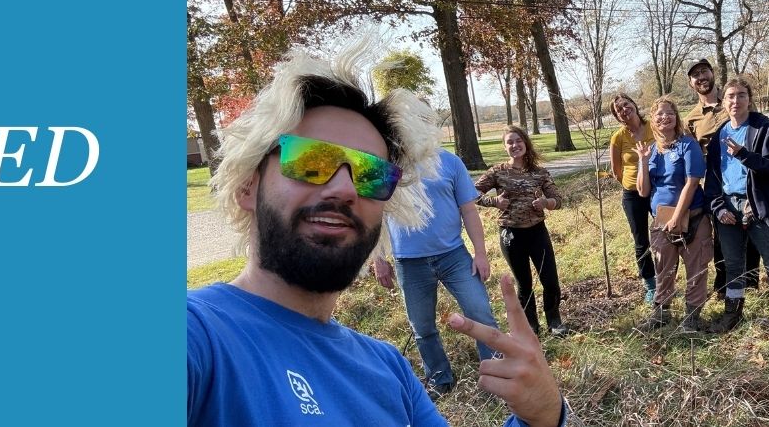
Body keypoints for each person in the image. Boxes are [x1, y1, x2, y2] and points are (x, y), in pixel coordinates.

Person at [188, 39, 566, 426]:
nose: (345, 189)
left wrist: (541, 416)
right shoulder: (196, 337)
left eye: (370, 174)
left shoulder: (389, 371)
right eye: (311, 160)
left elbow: (469, 204)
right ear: (248, 185)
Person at [370, 146, 501, 397]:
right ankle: (440, 380)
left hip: (453, 255)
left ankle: (495, 374)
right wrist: (379, 258)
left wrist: (480, 253)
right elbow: (375, 213)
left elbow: (469, 210)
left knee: (480, 312)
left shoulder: (450, 162)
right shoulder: (385, 165)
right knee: (422, 327)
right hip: (409, 262)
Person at [703, 79, 769, 333]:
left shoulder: (763, 128)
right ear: (723, 102)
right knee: (733, 265)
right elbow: (712, 176)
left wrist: (744, 154)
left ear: (750, 98)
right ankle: (732, 314)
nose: (736, 101)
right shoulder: (720, 135)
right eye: (730, 96)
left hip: (759, 205)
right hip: (727, 207)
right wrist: (718, 207)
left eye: (741, 95)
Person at [473, 127, 566, 335]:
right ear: (505, 147)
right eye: (509, 142)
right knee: (524, 283)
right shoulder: (497, 172)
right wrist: (494, 202)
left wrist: (546, 202)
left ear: (525, 143)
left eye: (518, 141)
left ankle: (555, 321)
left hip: (537, 232)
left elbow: (558, 200)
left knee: (549, 279)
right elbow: (472, 193)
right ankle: (531, 327)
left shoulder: (539, 173)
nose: (514, 145)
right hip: (511, 235)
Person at [685, 58, 763, 294]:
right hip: (716, 181)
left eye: (704, 71)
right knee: (721, 232)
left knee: (750, 229)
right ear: (691, 83)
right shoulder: (691, 119)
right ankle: (725, 282)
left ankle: (750, 282)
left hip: (745, 176)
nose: (701, 77)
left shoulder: (735, 99)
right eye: (695, 75)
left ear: (712, 73)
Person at [636, 97, 713, 333]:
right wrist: (643, 161)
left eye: (669, 113)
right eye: (659, 114)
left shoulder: (687, 145)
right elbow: (643, 190)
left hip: (692, 218)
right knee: (664, 268)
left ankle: (692, 316)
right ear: (653, 119)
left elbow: (692, 182)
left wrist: (677, 217)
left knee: (696, 267)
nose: (664, 117)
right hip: (661, 221)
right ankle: (661, 313)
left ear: (676, 117)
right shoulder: (652, 150)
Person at [609, 94, 658, 304]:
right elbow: (616, 170)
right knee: (641, 241)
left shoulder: (653, 127)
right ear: (617, 116)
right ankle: (650, 285)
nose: (624, 110)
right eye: (619, 109)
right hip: (633, 194)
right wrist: (632, 183)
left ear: (634, 105)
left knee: (666, 235)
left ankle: (668, 281)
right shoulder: (618, 137)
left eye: (626, 105)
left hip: (658, 189)